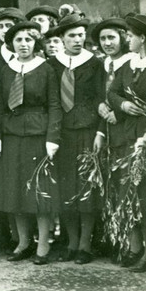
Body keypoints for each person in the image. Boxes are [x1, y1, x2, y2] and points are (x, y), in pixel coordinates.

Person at [0, 21, 59, 265]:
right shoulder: (6, 70)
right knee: (15, 190)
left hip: (37, 135)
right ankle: (23, 241)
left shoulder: (46, 69)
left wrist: (52, 138)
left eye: (28, 40)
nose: (23, 44)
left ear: (35, 42)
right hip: (11, 135)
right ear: (12, 44)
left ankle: (43, 244)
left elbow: (54, 105)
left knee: (38, 191)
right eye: (18, 40)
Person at [47, 14, 104, 264]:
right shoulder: (52, 64)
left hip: (87, 130)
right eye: (72, 36)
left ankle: (85, 244)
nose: (78, 40)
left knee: (85, 187)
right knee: (65, 187)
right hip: (62, 133)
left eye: (81, 35)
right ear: (62, 38)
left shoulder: (94, 63)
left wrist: (100, 132)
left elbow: (101, 99)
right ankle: (71, 242)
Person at [107, 13, 146, 275]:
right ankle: (143, 251)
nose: (127, 39)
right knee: (135, 194)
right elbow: (112, 92)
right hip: (130, 135)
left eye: (130, 36)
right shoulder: (129, 64)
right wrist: (124, 105)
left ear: (143, 38)